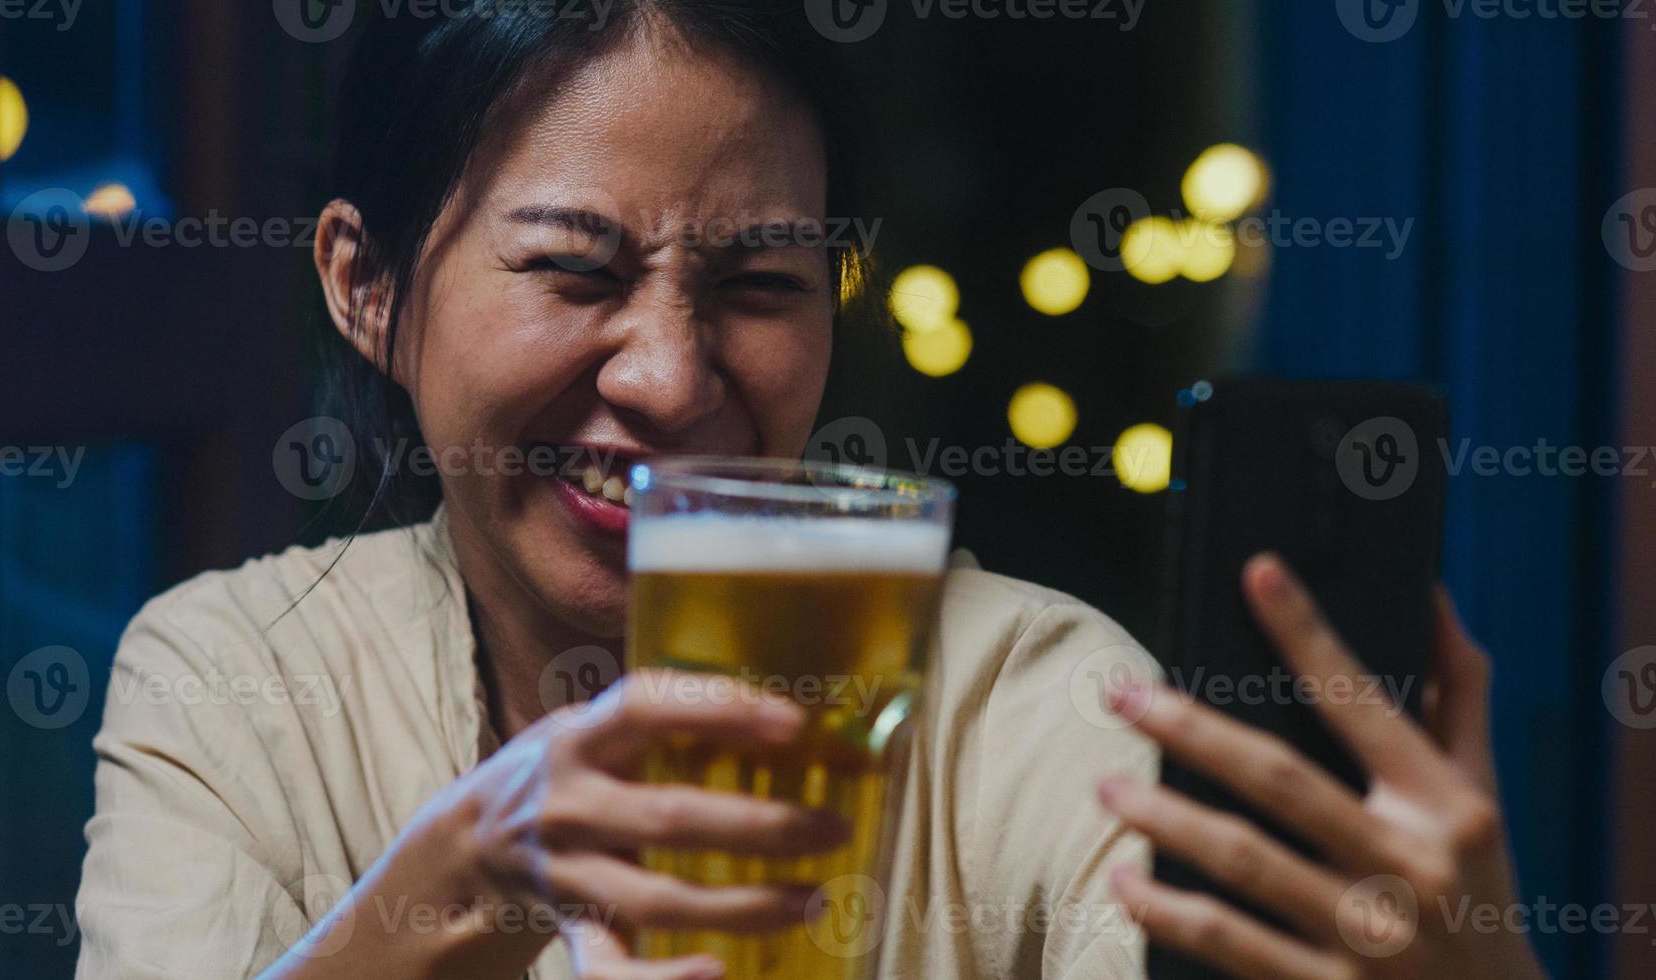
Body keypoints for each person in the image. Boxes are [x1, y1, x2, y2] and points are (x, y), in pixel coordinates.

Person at [74, 4, 1546, 978]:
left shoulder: (1038, 698)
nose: (666, 376)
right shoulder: (237, 680)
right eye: (575, 271)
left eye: (760, 282)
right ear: (365, 281)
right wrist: (446, 895)